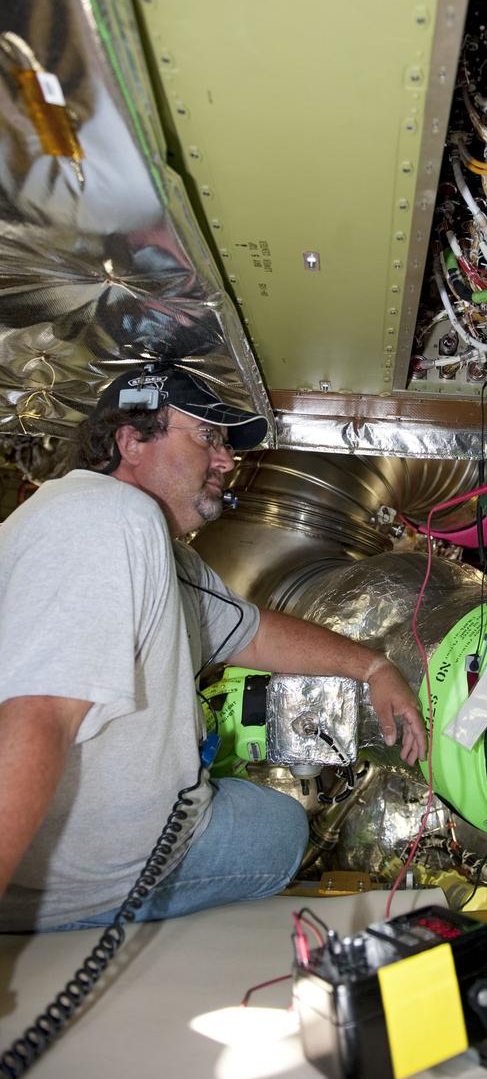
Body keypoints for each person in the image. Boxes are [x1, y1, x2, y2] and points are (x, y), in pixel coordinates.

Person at [0, 363, 426, 932]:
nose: (226, 461)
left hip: (70, 863)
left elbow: (250, 631)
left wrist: (373, 667)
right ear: (131, 442)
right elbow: (37, 717)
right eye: (207, 436)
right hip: (92, 884)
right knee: (280, 829)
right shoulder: (109, 518)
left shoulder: (145, 544)